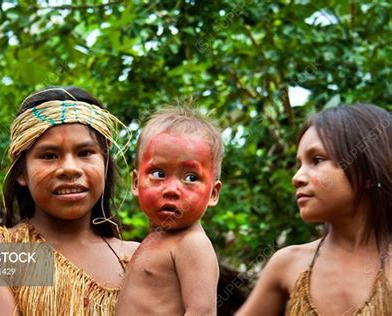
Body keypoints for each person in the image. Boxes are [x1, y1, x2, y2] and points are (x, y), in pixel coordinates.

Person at [0, 87, 139, 315]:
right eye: (49, 156)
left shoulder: (137, 259)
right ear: (21, 173)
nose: (70, 168)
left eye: (85, 152)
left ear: (105, 165)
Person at [238, 104, 392, 315]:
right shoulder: (288, 264)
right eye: (298, 164)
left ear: (367, 171)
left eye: (317, 160)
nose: (296, 178)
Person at [115, 106, 223, 315]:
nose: (172, 190)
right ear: (136, 182)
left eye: (191, 177)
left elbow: (202, 312)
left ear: (213, 193)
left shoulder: (192, 244)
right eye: (158, 173)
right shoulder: (155, 241)